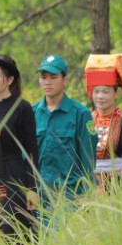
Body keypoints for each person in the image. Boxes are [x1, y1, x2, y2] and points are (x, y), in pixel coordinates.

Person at [0, 54, 39, 236]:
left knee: (13, 229)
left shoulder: (22, 108)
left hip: (13, 175)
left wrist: (32, 188)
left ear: (10, 79)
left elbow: (31, 150)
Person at [32, 55, 96, 207]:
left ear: (65, 80)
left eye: (53, 77)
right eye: (43, 77)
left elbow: (88, 159)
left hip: (69, 196)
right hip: (37, 197)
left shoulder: (80, 114)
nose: (47, 82)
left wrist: (87, 195)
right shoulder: (31, 113)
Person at [85, 54, 122, 189]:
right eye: (96, 91)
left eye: (105, 92)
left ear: (116, 93)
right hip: (93, 186)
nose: (100, 96)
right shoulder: (87, 121)